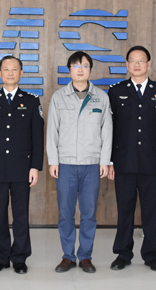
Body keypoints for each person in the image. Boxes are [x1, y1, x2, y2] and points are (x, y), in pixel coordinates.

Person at [0, 56, 44, 275]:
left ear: (21, 73)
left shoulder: (31, 101)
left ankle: (20, 257)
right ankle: (0, 256)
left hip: (22, 167)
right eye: (6, 69)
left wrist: (35, 166)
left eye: (15, 69)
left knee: (21, 214)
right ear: (0, 73)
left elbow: (37, 138)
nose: (10, 73)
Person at [46, 51, 112, 273]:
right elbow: (52, 131)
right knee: (65, 213)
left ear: (90, 69)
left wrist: (104, 161)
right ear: (69, 70)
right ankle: (67, 256)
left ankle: (85, 256)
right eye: (76, 65)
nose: (80, 69)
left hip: (92, 164)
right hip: (65, 164)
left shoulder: (101, 97)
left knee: (89, 213)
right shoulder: (59, 97)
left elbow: (107, 131)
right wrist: (53, 160)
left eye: (84, 65)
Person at [107, 46, 156, 272]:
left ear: (148, 64)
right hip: (123, 162)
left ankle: (152, 255)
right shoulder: (116, 92)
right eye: (132, 61)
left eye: (141, 61)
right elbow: (110, 129)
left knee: (150, 211)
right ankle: (123, 254)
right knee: (125, 210)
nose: (136, 65)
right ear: (127, 65)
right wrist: (111, 161)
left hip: (151, 162)